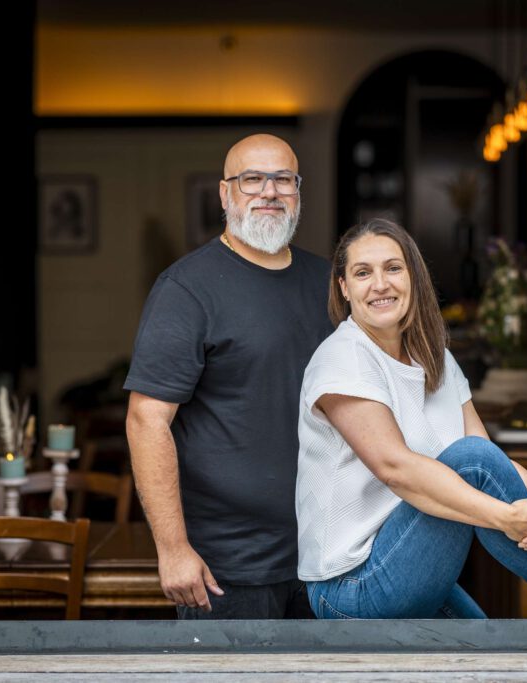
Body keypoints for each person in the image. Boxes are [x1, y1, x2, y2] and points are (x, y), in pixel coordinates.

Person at [296, 218, 527, 619]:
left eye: (393, 268)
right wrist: (504, 518)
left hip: (405, 560)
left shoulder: (432, 354)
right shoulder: (343, 357)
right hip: (352, 586)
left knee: (487, 661)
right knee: (467, 458)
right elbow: (395, 468)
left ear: (413, 278)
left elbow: (488, 458)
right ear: (344, 288)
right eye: (363, 273)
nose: (380, 284)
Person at [124, 134, 332, 619]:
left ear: (299, 192)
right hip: (226, 567)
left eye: (284, 179)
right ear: (225, 194)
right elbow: (145, 421)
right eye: (252, 179)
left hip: (328, 552)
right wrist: (173, 549)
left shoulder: (329, 284)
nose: (269, 191)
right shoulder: (186, 289)